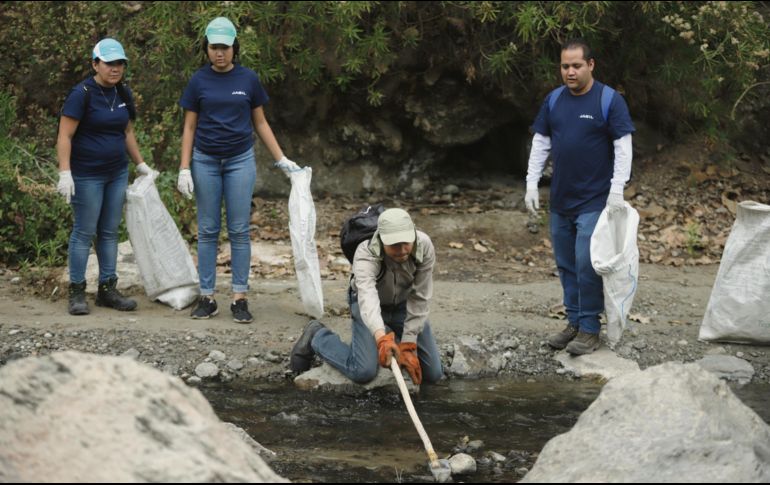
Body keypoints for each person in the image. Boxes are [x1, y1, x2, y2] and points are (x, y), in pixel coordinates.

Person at [177, 17, 297, 324]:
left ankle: (239, 298)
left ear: (234, 48)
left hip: (239, 160)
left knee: (240, 230)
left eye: (225, 48)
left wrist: (281, 158)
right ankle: (207, 296)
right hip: (205, 161)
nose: (219, 53)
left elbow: (260, 122)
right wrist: (184, 167)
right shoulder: (198, 81)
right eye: (214, 47)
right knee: (207, 230)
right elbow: (189, 126)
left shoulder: (248, 80)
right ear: (206, 48)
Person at [524, 39, 635, 355]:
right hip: (560, 200)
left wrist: (617, 189)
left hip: (595, 200)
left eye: (576, 65)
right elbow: (541, 142)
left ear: (591, 65)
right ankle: (573, 321)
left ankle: (589, 328)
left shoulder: (608, 100)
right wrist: (532, 183)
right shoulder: (554, 100)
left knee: (587, 263)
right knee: (566, 263)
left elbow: (622, 146)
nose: (570, 72)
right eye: (564, 66)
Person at [56, 38, 155, 316]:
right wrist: (65, 172)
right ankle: (76, 292)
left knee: (110, 232)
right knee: (84, 231)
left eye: (120, 63)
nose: (115, 68)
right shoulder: (82, 93)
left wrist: (141, 164)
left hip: (116, 172)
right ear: (95, 64)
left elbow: (126, 132)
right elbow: (65, 134)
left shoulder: (122, 93)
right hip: (87, 175)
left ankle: (107, 289)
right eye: (109, 63)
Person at [290, 208, 444, 386]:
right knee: (363, 371)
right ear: (381, 239)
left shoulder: (424, 245)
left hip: (403, 304)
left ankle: (396, 335)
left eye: (406, 243)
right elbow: (368, 297)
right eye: (394, 245)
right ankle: (317, 335)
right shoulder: (365, 253)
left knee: (432, 374)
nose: (402, 250)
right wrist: (381, 338)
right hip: (367, 304)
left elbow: (420, 297)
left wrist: (409, 343)